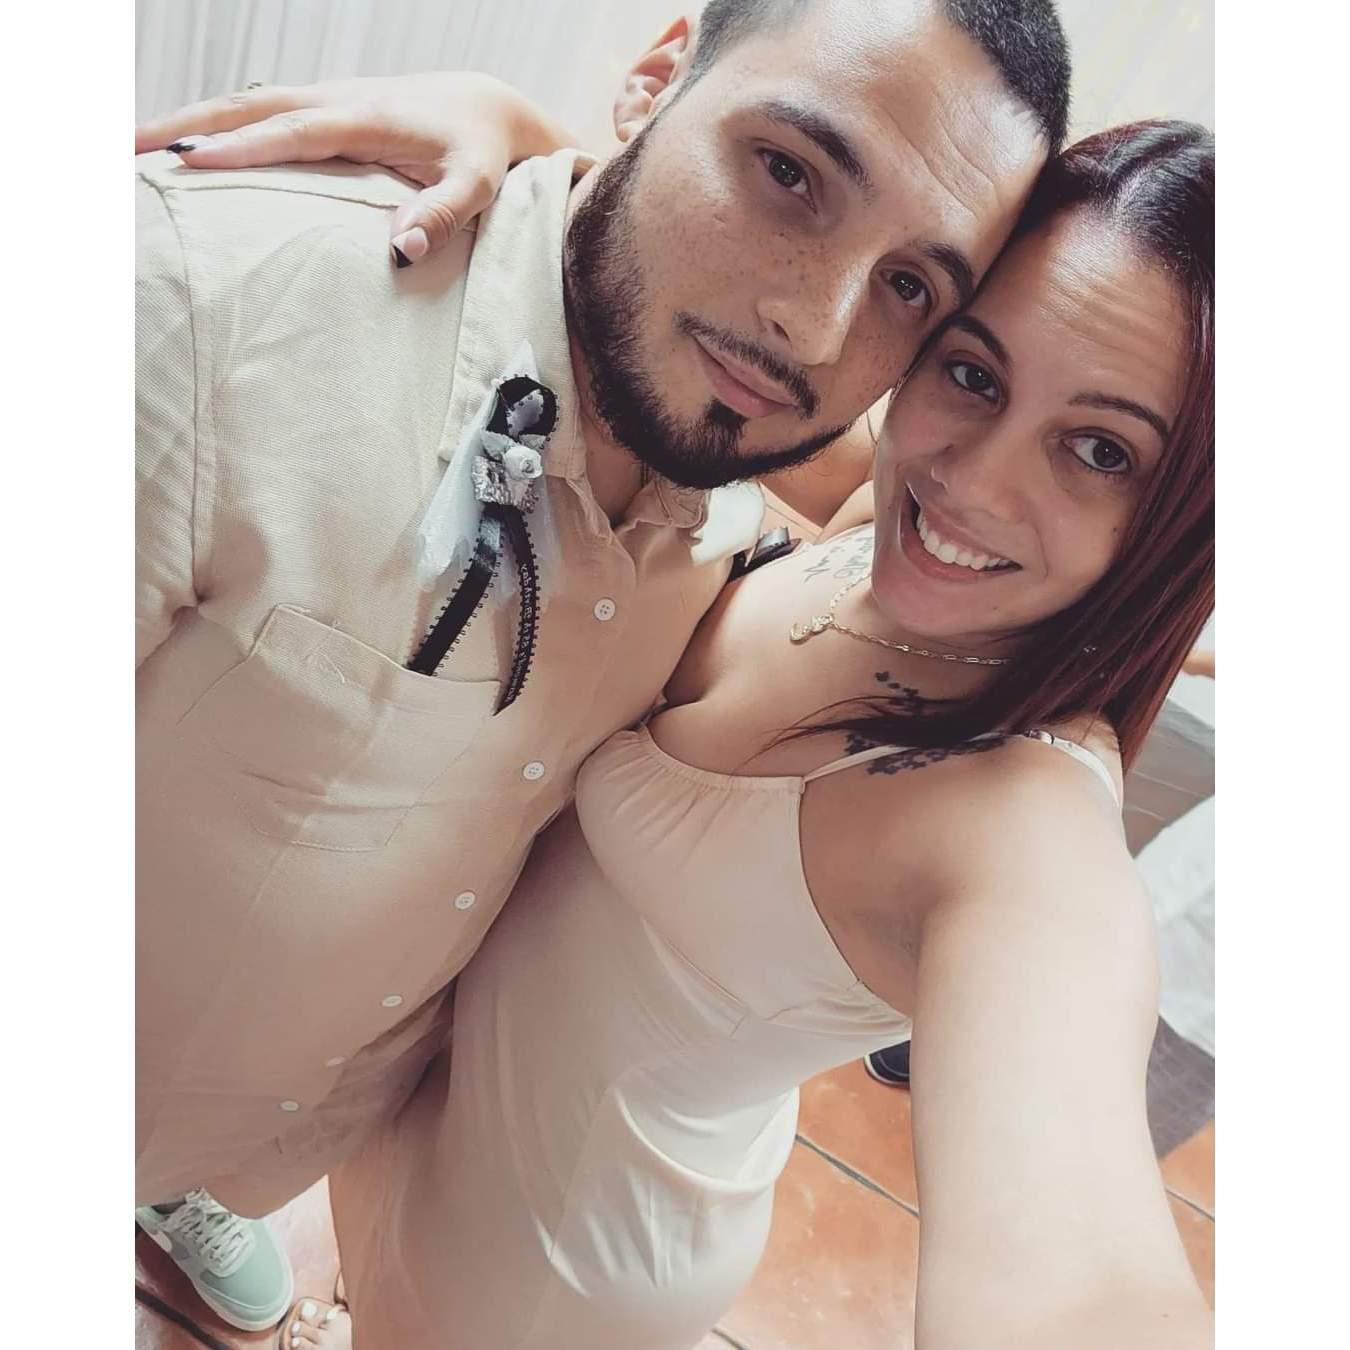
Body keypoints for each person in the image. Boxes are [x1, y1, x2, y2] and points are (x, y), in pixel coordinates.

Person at [173, 83, 1213, 1345]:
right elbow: (701, 342)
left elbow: (1077, 1274)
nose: (969, 478)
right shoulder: (883, 521)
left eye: (1102, 452)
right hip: (421, 1095)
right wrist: (533, 143)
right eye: (974, 371)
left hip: (556, 1259)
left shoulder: (1020, 831)